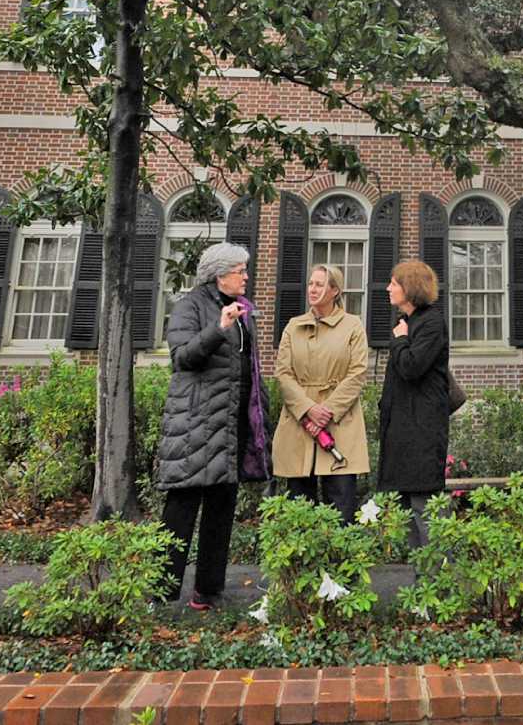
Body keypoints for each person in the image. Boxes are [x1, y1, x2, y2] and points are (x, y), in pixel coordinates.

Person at [155, 242, 268, 608]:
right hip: (195, 424)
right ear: (220, 275)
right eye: (240, 271)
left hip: (230, 425)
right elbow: (182, 357)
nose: (246, 276)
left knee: (221, 510)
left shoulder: (241, 310)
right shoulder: (191, 305)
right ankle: (162, 590)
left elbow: (245, 367)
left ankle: (209, 590)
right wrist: (218, 329)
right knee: (181, 510)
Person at [272, 264, 369, 520]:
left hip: (340, 422)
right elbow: (283, 373)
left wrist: (327, 412)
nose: (312, 289)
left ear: (335, 290)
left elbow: (358, 372)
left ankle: (341, 559)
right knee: (298, 503)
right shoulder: (293, 326)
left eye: (320, 284)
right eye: (311, 283)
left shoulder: (353, 326)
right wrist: (307, 410)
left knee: (341, 504)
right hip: (298, 422)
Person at [375, 257, 449, 547]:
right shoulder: (408, 322)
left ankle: (438, 581)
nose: (388, 288)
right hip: (404, 430)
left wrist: (399, 340)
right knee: (408, 510)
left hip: (422, 431)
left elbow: (411, 367)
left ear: (410, 287)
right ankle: (423, 582)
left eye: (394, 283)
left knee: (425, 507)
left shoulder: (430, 322)